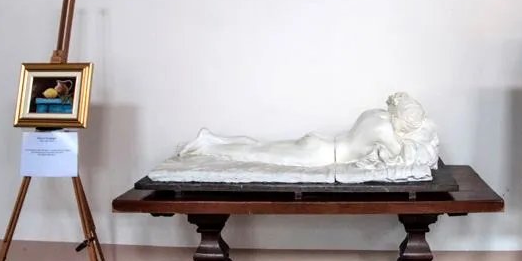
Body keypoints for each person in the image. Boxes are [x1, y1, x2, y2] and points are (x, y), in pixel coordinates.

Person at [171, 92, 439, 170]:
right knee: (257, 154)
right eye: (408, 125)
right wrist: (422, 135)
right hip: (320, 156)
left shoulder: (376, 114)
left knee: (261, 147)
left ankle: (212, 140)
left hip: (320, 143)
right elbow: (409, 159)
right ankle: (208, 145)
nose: (407, 130)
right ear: (399, 118)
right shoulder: (383, 128)